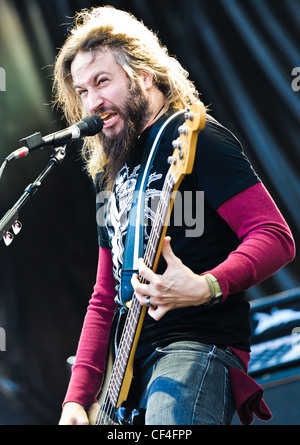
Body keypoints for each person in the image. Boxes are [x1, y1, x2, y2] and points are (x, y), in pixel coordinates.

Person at [54, 6, 295, 425]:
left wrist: (206, 286)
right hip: (126, 374)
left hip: (194, 345)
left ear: (144, 75)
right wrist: (77, 399)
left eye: (102, 81)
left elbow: (274, 235)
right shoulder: (108, 176)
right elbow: (105, 294)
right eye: (82, 91)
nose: (93, 101)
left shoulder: (196, 137)